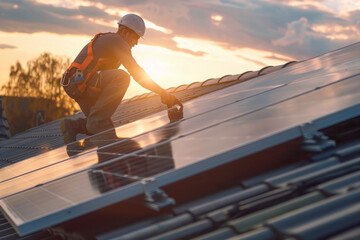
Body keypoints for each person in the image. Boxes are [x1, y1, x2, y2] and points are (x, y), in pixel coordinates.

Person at [60, 14, 181, 146]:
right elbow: (137, 72)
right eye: (136, 38)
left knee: (104, 128)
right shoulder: (116, 41)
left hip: (78, 85)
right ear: (124, 32)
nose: (136, 43)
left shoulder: (112, 43)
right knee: (121, 77)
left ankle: (73, 126)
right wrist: (163, 93)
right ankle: (94, 122)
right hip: (79, 83)